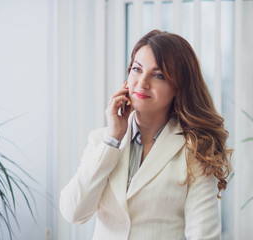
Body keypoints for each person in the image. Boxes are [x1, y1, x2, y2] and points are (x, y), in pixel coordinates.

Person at [60, 29, 232, 240]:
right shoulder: (101, 140)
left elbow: (204, 235)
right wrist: (113, 139)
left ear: (178, 87)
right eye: (137, 69)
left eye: (158, 75)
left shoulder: (195, 150)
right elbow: (73, 212)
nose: (142, 83)